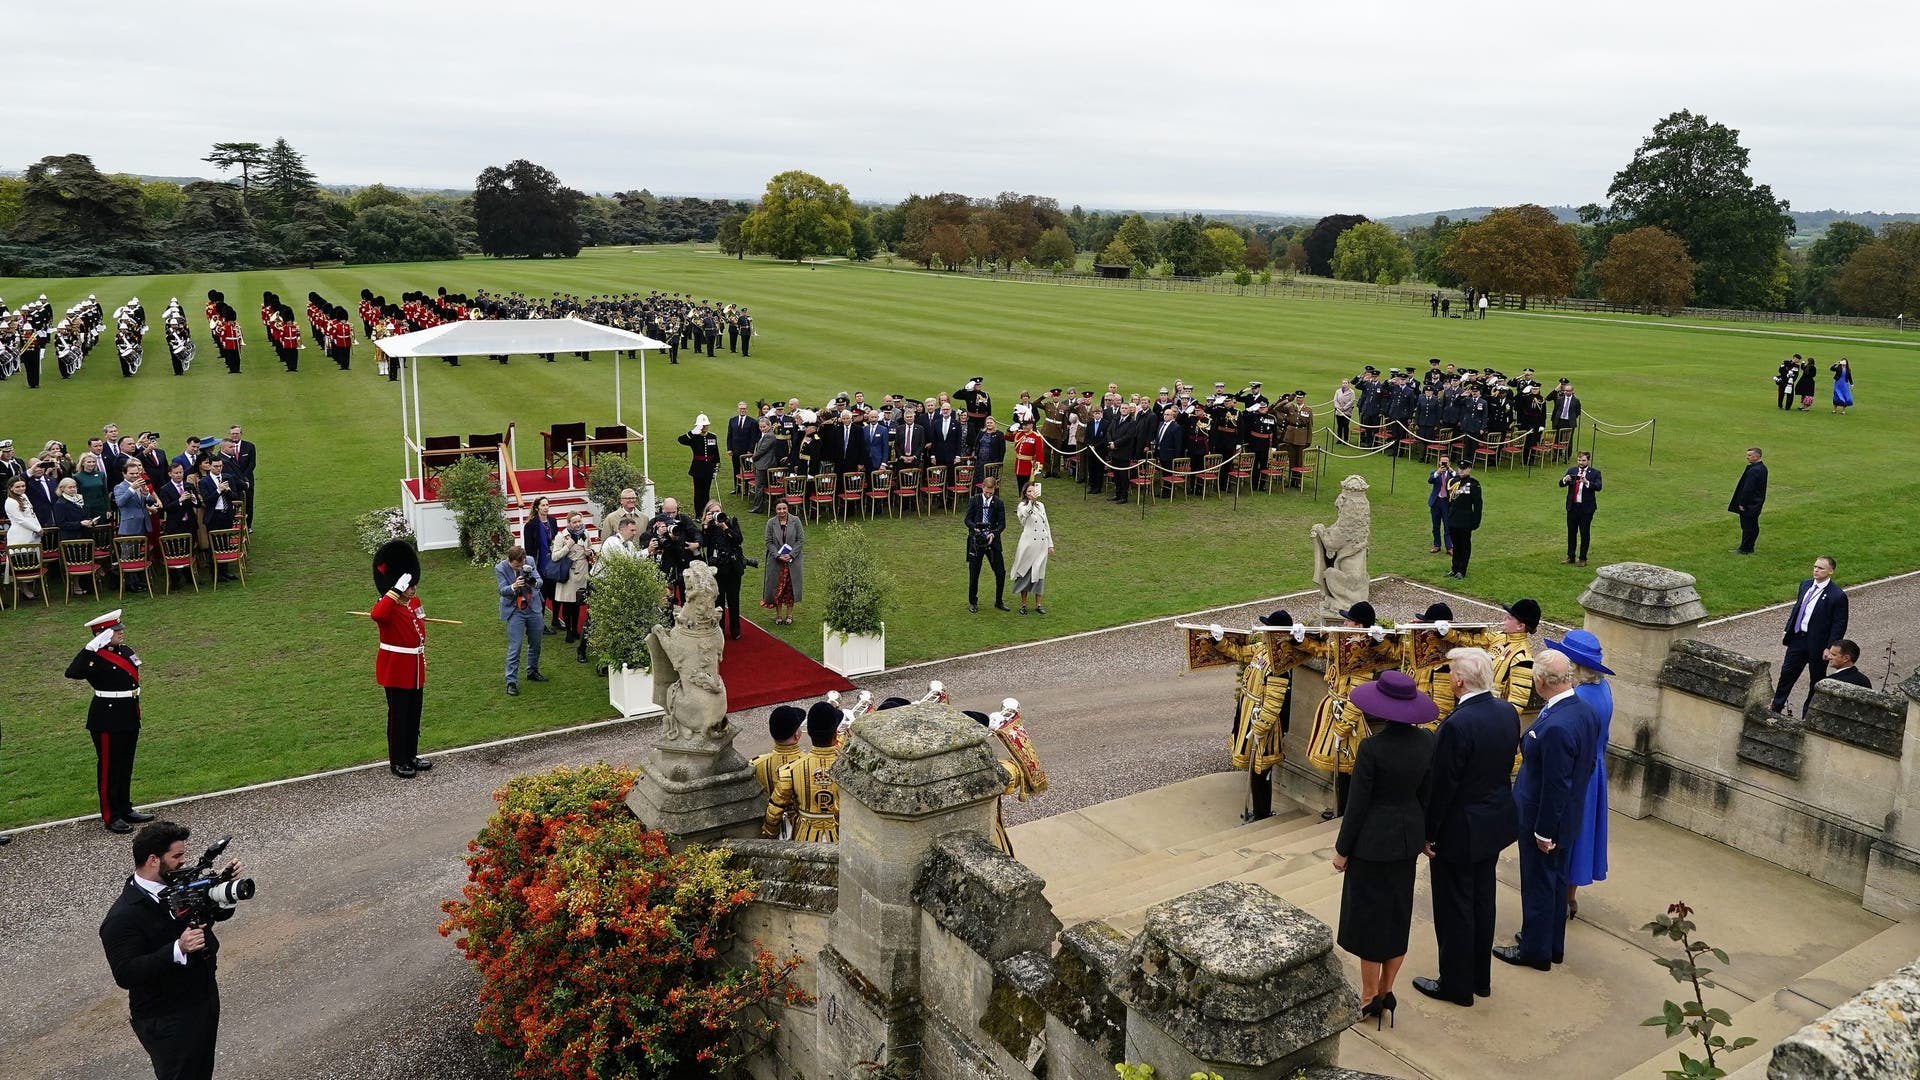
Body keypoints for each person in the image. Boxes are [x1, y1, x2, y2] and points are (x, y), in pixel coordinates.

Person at [1412, 647, 1519, 1008]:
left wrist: (1428, 833)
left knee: (1455, 907)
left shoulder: (1456, 725)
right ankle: (1479, 978)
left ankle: (1456, 985)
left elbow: (1442, 788)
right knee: (1481, 901)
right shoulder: (1506, 711)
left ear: (1458, 681)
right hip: (1493, 824)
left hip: (1460, 831)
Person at [1332, 670, 1438, 1030]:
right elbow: (1427, 795)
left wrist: (1342, 850)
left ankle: (1367, 997)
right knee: (1396, 918)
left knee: (1368, 925)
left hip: (1373, 844)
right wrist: (1424, 836)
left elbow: (1357, 805)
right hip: (1407, 839)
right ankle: (1387, 991)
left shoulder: (1372, 749)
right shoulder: (1427, 743)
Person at [100, 820, 240, 1080]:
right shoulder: (122, 918)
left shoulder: (178, 887)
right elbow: (126, 973)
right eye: (177, 856)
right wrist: (178, 948)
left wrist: (224, 889)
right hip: (166, 1018)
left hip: (202, 1000)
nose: (184, 861)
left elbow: (214, 915)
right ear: (153, 859)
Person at [1494, 651, 1598, 972]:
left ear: (1540, 682)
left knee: (1539, 883)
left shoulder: (1557, 726)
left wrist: (1543, 831)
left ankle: (1534, 950)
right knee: (1554, 883)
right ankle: (1551, 943)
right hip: (1566, 818)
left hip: (1544, 820)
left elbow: (1556, 785)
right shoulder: (1583, 711)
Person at [67, 610, 154, 833]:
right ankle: (110, 815)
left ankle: (125, 808)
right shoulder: (93, 657)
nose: (121, 632)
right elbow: (72, 672)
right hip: (106, 716)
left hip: (128, 712)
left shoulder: (125, 651)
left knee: (125, 765)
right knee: (109, 769)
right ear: (102, 635)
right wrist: (90, 647)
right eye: (115, 631)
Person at [1551, 630, 1613, 920]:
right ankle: (1570, 897)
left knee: (1569, 833)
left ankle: (1560, 898)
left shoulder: (1577, 699)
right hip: (1595, 767)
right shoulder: (1604, 690)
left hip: (1578, 771)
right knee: (1583, 833)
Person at [1211, 611, 1296, 822]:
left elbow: (1274, 702)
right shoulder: (1262, 650)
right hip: (1249, 712)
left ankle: (1262, 812)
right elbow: (1239, 652)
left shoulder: (1280, 663)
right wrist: (1220, 640)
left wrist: (1260, 727)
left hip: (1262, 721)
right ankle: (1259, 811)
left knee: (1261, 770)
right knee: (1254, 768)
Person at [370, 544, 430, 778]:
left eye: (414, 585)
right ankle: (397, 761)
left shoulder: (413, 602)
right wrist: (393, 590)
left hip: (414, 667)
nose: (413, 589)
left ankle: (411, 755)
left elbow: (419, 622)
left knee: (414, 714)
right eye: (409, 586)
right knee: (398, 717)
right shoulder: (388, 606)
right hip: (396, 668)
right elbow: (377, 615)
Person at [1771, 555, 1848, 715]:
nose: (1816, 570)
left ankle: (1809, 713)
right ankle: (1776, 707)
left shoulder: (1837, 595)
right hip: (1798, 639)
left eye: (1820, 568)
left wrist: (1830, 648)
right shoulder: (1805, 585)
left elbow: (1839, 624)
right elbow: (1798, 608)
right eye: (1815, 567)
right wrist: (1788, 629)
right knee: (1787, 674)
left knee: (1817, 679)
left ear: (1831, 571)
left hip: (1818, 644)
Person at [763, 701, 842, 842]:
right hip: (842, 838)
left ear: (809, 733)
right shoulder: (849, 768)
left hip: (804, 837)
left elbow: (775, 810)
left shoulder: (791, 770)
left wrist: (769, 835)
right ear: (836, 734)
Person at [496, 546, 547, 696]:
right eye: (516, 565)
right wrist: (514, 586)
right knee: (515, 647)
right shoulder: (500, 568)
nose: (520, 567)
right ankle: (511, 681)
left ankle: (532, 671)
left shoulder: (529, 561)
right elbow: (502, 590)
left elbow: (539, 581)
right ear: (509, 560)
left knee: (536, 643)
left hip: (533, 607)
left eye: (521, 564)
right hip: (515, 611)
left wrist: (532, 582)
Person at [752, 706, 807, 838]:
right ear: (797, 735)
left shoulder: (756, 765)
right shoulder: (807, 763)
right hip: (804, 832)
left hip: (770, 830)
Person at [701, 500, 747, 640]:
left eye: (718, 511)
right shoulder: (708, 526)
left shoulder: (730, 521)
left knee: (734, 600)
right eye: (712, 513)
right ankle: (718, 630)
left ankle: (735, 630)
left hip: (733, 568)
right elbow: (703, 543)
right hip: (717, 569)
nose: (716, 515)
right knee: (718, 601)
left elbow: (738, 539)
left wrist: (725, 527)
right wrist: (705, 526)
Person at [964, 475, 1009, 613]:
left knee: (1000, 572)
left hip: (992, 542)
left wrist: (993, 533)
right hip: (976, 542)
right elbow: (967, 519)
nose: (988, 495)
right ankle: (973, 602)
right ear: (982, 487)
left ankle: (999, 601)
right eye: (986, 492)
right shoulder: (974, 500)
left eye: (991, 493)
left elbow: (1002, 524)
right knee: (974, 573)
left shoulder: (999, 503)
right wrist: (976, 529)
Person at [549, 512, 594, 644]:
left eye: (579, 521)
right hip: (568, 572)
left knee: (577, 603)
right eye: (574, 522)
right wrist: (568, 546)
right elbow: (555, 556)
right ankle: (568, 631)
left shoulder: (585, 533)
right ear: (569, 522)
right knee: (568, 603)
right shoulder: (561, 536)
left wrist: (589, 552)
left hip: (582, 571)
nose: (578, 524)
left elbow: (590, 548)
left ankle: (575, 630)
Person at [1010, 481, 1052, 615]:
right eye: (1029, 491)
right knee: (1024, 573)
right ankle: (1023, 604)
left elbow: (1046, 525)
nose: (1031, 494)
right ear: (1025, 493)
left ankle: (1038, 604)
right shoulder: (1022, 506)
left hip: (1042, 544)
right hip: (1029, 545)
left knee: (1039, 573)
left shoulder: (1041, 506)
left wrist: (1050, 544)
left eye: (1033, 491)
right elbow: (1024, 516)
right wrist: (1031, 502)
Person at [522, 497, 561, 635]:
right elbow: (529, 549)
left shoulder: (552, 521)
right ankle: (540, 624)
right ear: (537, 507)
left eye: (547, 505)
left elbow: (557, 539)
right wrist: (532, 569)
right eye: (543, 505)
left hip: (554, 562)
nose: (546, 507)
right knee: (541, 595)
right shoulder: (530, 526)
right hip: (540, 564)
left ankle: (555, 619)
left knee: (556, 593)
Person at [762, 498, 803, 625]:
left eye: (784, 508)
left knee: (790, 589)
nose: (782, 511)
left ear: (787, 508)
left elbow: (800, 540)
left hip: (792, 561)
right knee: (777, 588)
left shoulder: (796, 521)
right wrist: (777, 555)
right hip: (776, 561)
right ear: (775, 509)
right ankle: (778, 615)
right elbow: (769, 542)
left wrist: (791, 554)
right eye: (779, 509)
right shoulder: (771, 523)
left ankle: (789, 615)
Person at [1559, 451, 1601, 567]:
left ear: (1588, 460)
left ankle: (1583, 558)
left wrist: (1586, 482)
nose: (1581, 463)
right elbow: (1561, 484)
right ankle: (1570, 556)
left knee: (1584, 532)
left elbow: (1598, 487)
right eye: (1579, 460)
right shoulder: (1572, 471)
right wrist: (1565, 479)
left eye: (1583, 460)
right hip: (1572, 507)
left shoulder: (1594, 473)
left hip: (1586, 509)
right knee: (1571, 532)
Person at [5, 477, 44, 600]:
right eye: (18, 487)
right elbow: (20, 520)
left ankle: (27, 587)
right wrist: (37, 529)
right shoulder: (10, 501)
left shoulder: (24, 496)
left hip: (32, 532)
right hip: (19, 534)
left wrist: (38, 527)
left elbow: (32, 514)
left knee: (31, 560)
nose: (21, 488)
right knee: (22, 561)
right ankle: (24, 590)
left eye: (23, 486)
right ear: (11, 487)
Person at [1445, 460, 1481, 579]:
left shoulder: (1474, 484)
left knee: (1464, 546)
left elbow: (1477, 504)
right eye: (1460, 468)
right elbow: (1450, 501)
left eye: (1464, 468)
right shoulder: (1453, 481)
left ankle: (1462, 570)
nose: (1461, 470)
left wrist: (1476, 521)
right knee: (1456, 545)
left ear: (1469, 469)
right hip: (1453, 519)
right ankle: (1454, 568)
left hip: (1465, 520)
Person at [678, 413, 720, 513]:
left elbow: (716, 453)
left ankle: (706, 511)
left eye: (706, 425)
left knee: (706, 492)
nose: (705, 427)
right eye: (702, 425)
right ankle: (698, 513)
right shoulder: (694, 437)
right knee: (698, 492)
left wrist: (716, 468)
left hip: (709, 468)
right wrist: (692, 432)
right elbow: (680, 440)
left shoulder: (712, 436)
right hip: (698, 468)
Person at [1728, 446, 1767, 555]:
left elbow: (1748, 489)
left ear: (1757, 456)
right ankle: (1749, 546)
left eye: (1749, 455)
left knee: (1748, 526)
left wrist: (1742, 503)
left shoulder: (1754, 470)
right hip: (1756, 502)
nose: (1747, 457)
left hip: (1750, 503)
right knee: (1752, 525)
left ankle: (1745, 548)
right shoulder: (1762, 468)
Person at [726, 402, 759, 494]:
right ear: (738, 409)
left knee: (748, 470)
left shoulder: (752, 421)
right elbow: (729, 435)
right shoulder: (732, 420)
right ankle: (737, 488)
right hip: (735, 450)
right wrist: (729, 449)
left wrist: (750, 450)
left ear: (747, 409)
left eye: (744, 408)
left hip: (746, 451)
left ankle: (747, 489)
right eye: (741, 408)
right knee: (736, 469)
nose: (742, 410)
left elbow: (753, 438)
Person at [1427, 455, 1455, 555]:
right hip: (1436, 502)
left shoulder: (1452, 475)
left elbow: (1459, 480)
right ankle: (1437, 545)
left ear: (1449, 463)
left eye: (1446, 462)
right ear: (1439, 463)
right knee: (1436, 526)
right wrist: (1437, 473)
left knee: (1448, 526)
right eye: (1442, 462)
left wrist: (1451, 470)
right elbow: (1430, 480)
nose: (1444, 464)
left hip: (1446, 503)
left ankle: (1449, 547)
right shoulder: (1435, 473)